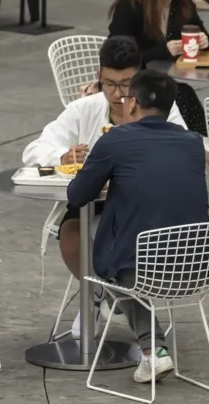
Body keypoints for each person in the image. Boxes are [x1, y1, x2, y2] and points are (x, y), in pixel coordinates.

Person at [63, 68, 209, 385]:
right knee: (129, 254)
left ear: (131, 103)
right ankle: (151, 350)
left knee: (113, 263)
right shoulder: (193, 142)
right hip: (199, 267)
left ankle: (151, 347)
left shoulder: (116, 139)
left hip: (144, 271)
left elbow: (78, 194)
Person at [24, 36, 190, 284]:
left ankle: (104, 299)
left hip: (143, 202)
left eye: (126, 84)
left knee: (124, 239)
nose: (117, 93)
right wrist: (61, 156)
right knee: (71, 233)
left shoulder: (160, 107)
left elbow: (183, 153)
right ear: (99, 74)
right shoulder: (84, 109)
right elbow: (34, 150)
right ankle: (103, 296)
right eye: (109, 83)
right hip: (92, 200)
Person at [107, 0, 209, 134]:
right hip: (134, 88)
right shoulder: (131, 6)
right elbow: (118, 57)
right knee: (181, 97)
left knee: (185, 96)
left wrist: (205, 42)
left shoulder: (182, 3)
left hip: (164, 86)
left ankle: (198, 155)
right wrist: (163, 51)